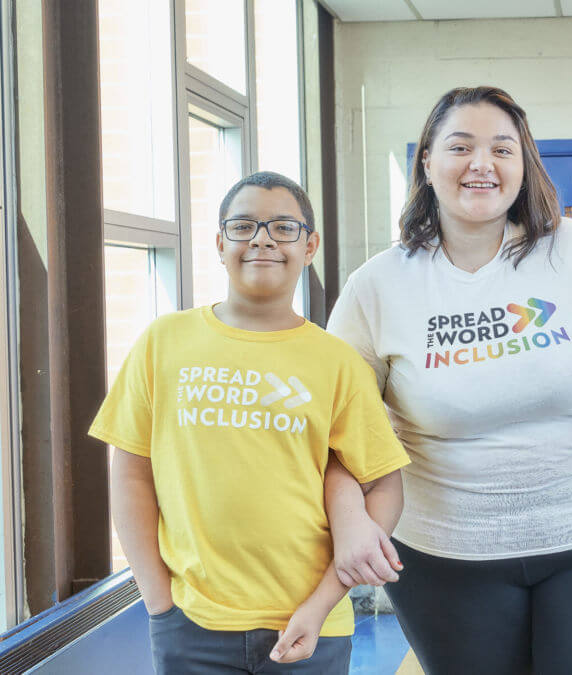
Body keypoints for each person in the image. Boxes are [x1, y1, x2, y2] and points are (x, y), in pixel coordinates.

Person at [324, 85, 572, 674]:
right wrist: (349, 518)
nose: (483, 164)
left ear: (523, 166)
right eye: (461, 147)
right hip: (445, 553)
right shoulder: (377, 286)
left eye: (503, 149)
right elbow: (341, 425)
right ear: (426, 162)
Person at [89, 172, 410, 673]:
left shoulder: (336, 362)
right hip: (190, 623)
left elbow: (384, 484)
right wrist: (159, 602)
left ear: (310, 245)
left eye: (283, 227)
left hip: (313, 624)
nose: (262, 238)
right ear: (220, 244)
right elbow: (132, 472)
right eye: (244, 226)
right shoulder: (164, 341)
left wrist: (326, 599)